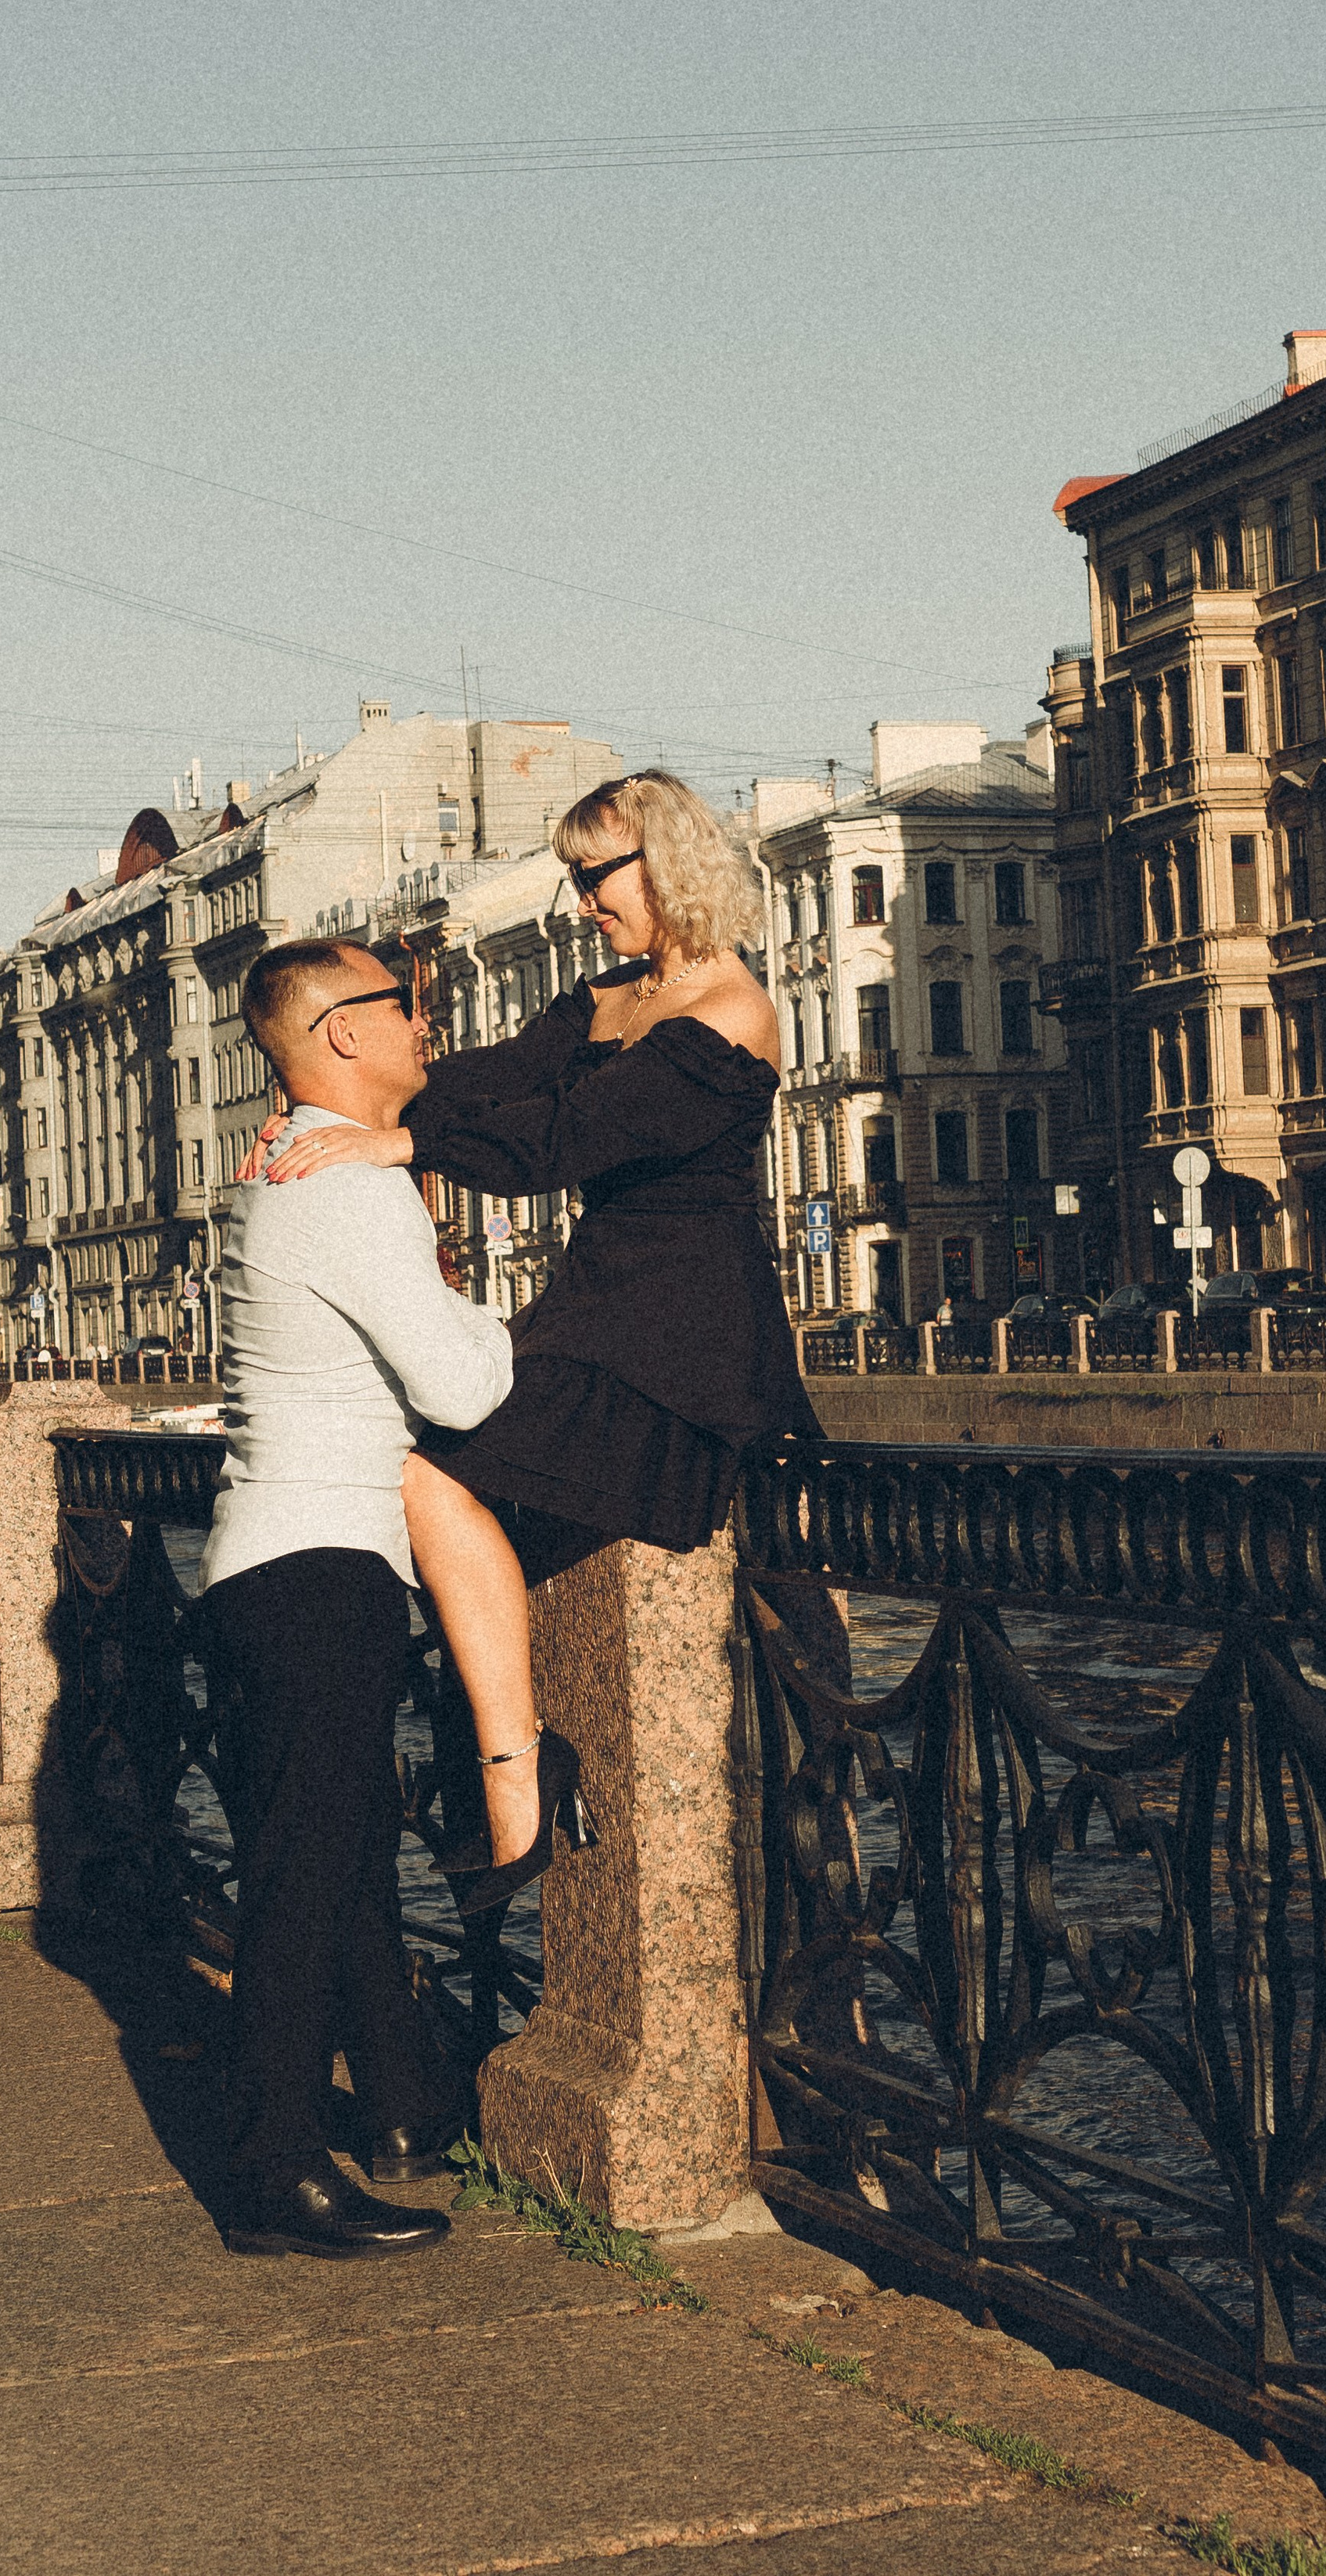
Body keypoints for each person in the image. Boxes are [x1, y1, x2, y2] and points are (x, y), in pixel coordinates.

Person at [256, 768, 819, 1910]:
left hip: (684, 1343)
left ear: (667, 864)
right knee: (425, 1473)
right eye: (573, 880)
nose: (581, 904)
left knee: (429, 1474)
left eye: (593, 876)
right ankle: (506, 1770)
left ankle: (511, 1777)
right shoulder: (606, 999)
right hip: (593, 1313)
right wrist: (339, 1112)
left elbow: (565, 1137)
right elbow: (483, 1086)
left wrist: (394, 1151)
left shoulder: (731, 1014)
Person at [203, 937, 515, 2261]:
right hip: (323, 1568)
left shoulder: (291, 1172)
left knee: (340, 1872)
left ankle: (400, 2106)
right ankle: (275, 2171)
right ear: (340, 1032)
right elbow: (463, 1388)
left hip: (261, 1565)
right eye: (405, 1005)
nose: (425, 1022)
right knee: (306, 1874)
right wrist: (506, 1318)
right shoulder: (340, 1189)